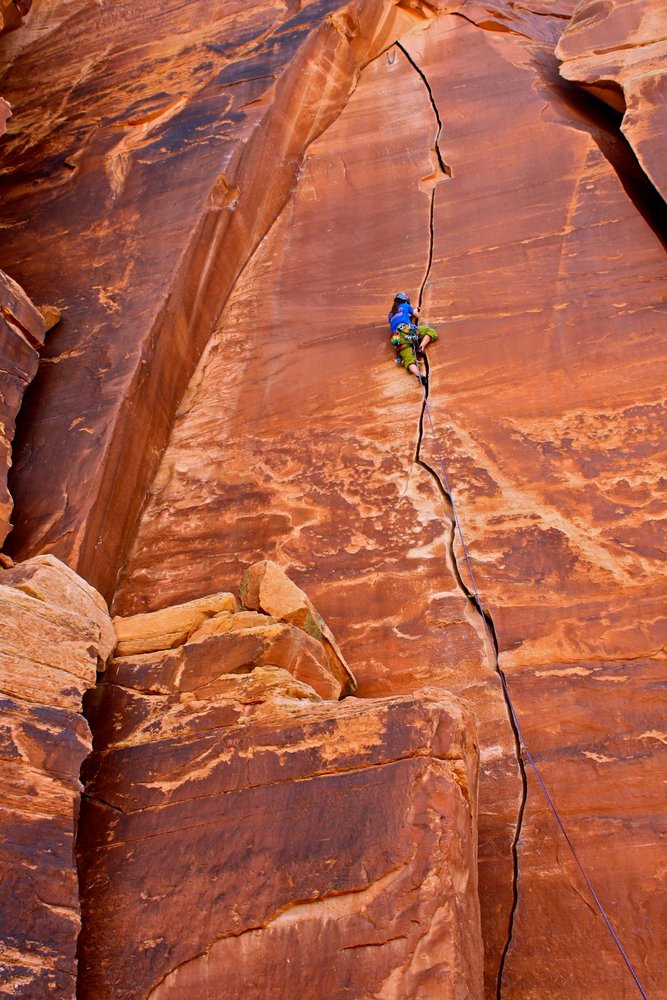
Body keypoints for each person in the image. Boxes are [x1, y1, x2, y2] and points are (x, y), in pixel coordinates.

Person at [388, 292, 438, 386]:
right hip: (408, 331)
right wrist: (415, 311)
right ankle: (421, 347)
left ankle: (420, 376)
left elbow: (399, 319)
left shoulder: (390, 314)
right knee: (430, 331)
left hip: (398, 338)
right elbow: (417, 316)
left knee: (408, 359)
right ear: (406, 300)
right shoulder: (405, 306)